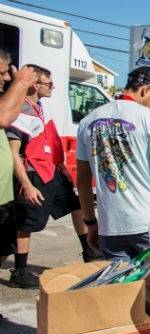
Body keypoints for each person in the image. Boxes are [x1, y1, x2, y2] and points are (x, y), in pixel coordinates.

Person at [76, 67, 150, 259]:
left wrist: (90, 224)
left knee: (122, 287)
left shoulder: (87, 122)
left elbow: (83, 181)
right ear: (146, 90)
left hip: (110, 228)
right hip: (148, 223)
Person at [6, 64, 99, 284]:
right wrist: (27, 185)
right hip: (33, 174)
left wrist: (64, 171)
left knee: (77, 206)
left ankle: (89, 251)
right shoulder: (18, 112)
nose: (53, 87)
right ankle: (19, 271)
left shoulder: (38, 108)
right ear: (35, 84)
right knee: (27, 224)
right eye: (49, 84)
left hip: (51, 172)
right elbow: (13, 154)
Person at [0, 51, 38, 288]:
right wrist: (21, 82)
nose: (5, 78)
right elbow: (5, 117)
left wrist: (21, 88)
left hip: (3, 196)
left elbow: (11, 114)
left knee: (4, 246)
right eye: (1, 72)